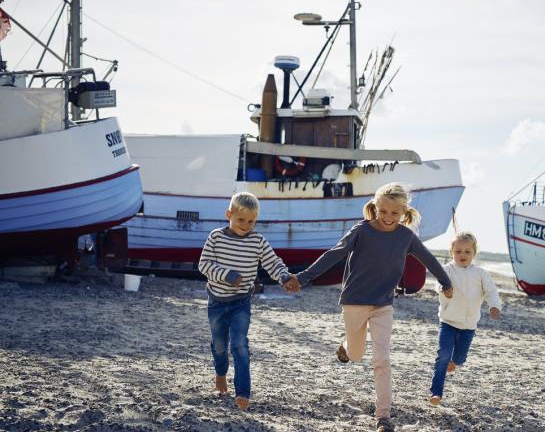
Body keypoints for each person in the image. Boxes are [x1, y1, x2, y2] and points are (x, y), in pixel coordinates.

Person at [286, 182, 453, 432]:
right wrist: (303, 277)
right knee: (355, 354)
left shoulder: (406, 236)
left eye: (394, 213)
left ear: (403, 212)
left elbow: (428, 258)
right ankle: (345, 346)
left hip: (383, 304)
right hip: (354, 302)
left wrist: (446, 281)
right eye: (383, 211)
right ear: (375, 207)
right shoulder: (361, 231)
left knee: (381, 359)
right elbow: (334, 254)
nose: (388, 217)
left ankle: (383, 416)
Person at [198, 192, 299, 411]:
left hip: (241, 303)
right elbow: (203, 265)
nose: (246, 225)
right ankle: (220, 374)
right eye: (241, 220)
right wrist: (227, 274)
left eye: (251, 221)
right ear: (229, 214)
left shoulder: (257, 241)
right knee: (219, 345)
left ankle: (243, 392)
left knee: (239, 344)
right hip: (216, 302)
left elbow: (273, 262)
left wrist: (284, 276)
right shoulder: (216, 237)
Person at [429, 231, 502, 406]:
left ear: (474, 253)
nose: (462, 255)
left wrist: (494, 306)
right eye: (458, 251)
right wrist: (443, 288)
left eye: (467, 252)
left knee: (460, 358)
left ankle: (455, 362)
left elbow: (491, 292)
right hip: (448, 322)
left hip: (469, 325)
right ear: (451, 253)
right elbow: (438, 283)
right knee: (443, 354)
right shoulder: (447, 270)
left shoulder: (480, 273)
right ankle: (436, 392)